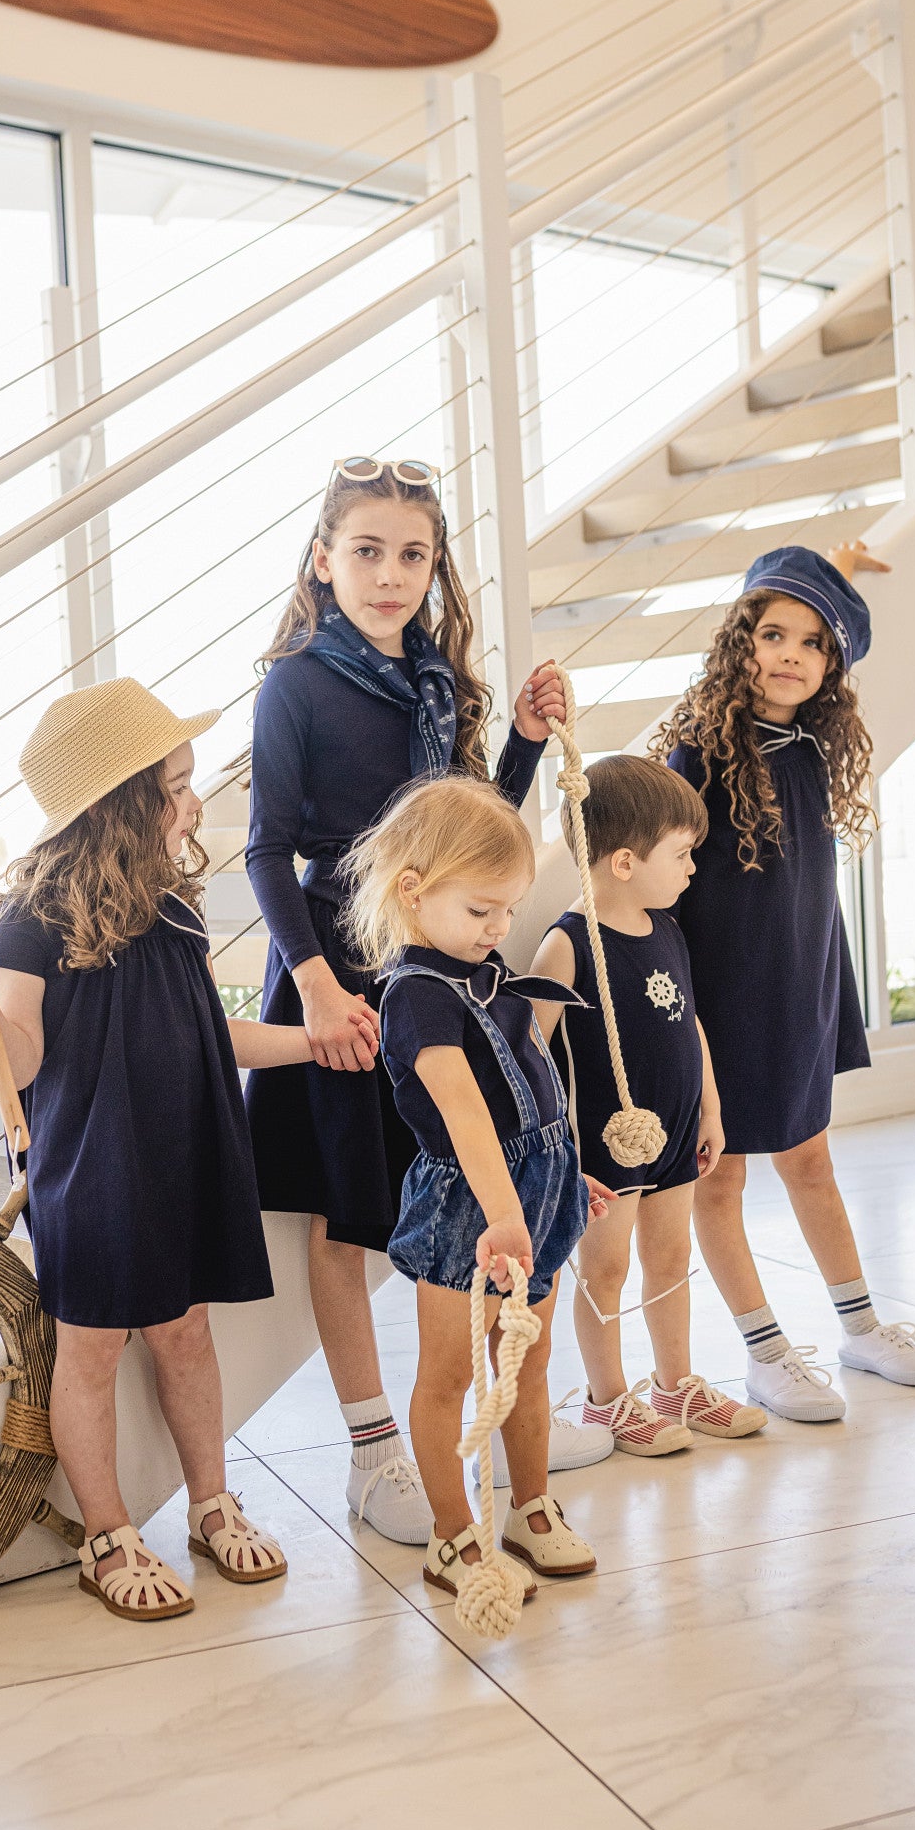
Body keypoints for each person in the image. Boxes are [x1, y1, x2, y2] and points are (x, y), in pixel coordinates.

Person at [243, 457, 610, 1545]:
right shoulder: (295, 684)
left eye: (412, 555)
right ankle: (375, 1453)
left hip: (439, 961)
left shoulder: (440, 681)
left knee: (458, 1180)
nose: (390, 575)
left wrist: (526, 741)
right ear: (324, 560)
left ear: (434, 565)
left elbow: (467, 831)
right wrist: (315, 986)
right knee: (350, 1214)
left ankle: (501, 1409)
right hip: (337, 963)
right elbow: (265, 851)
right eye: (366, 551)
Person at [0, 677, 316, 1621]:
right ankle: (106, 1533)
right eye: (176, 785)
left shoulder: (177, 911)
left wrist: (314, 1043)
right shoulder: (30, 925)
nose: (193, 801)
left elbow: (208, 1035)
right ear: (119, 805)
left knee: (186, 1332)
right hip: (93, 1170)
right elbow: (22, 1062)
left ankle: (210, 1500)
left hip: (184, 1150)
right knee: (93, 1349)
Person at [653, 543, 915, 1421]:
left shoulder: (814, 750)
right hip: (722, 999)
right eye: (773, 634)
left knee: (811, 1159)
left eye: (814, 642)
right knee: (721, 1178)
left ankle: (861, 1327)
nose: (790, 654)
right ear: (739, 642)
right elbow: (662, 892)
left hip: (802, 987)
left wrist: (845, 568)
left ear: (831, 665)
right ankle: (765, 1352)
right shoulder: (698, 753)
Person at [342, 775, 608, 1595]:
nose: (498, 928)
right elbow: (463, 1113)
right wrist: (504, 1213)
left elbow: (526, 1087)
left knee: (528, 1360)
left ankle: (531, 1508)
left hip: (533, 1191)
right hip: (472, 1209)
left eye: (509, 909)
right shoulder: (418, 997)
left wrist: (562, 1176)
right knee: (450, 1378)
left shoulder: (485, 969)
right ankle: (452, 1535)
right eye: (481, 909)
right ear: (413, 892)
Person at [527, 754, 768, 1465]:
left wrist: (711, 1108)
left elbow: (689, 1025)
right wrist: (551, 1152)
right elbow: (530, 1054)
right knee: (604, 1270)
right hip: (605, 1144)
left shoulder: (666, 928)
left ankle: (674, 1386)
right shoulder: (566, 944)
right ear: (626, 862)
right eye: (682, 853)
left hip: (676, 1130)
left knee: (670, 1255)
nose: (693, 868)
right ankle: (606, 1398)